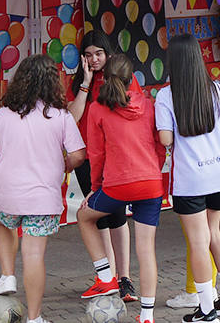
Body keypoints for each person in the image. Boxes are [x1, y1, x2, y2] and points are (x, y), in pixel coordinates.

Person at [0, 54, 86, 323]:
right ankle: (35, 318)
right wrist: (64, 166)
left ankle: (7, 275)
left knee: (3, 224)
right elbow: (78, 155)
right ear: (52, 83)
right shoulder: (60, 116)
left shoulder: (3, 114)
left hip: (7, 194)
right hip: (43, 199)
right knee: (34, 254)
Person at [156, 34, 220, 322]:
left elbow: (165, 139)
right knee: (214, 235)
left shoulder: (166, 96)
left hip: (190, 179)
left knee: (198, 242)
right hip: (217, 175)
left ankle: (207, 309)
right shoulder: (217, 90)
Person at [77, 54, 165, 323]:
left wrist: (95, 187)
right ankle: (147, 316)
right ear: (132, 78)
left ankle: (106, 277)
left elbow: (96, 153)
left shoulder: (97, 109)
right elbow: (160, 145)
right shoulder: (148, 105)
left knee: (84, 217)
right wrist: (153, 169)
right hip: (151, 183)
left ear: (104, 78)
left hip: (117, 185)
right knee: (146, 250)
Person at [68, 30, 136, 301]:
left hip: (113, 158)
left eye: (98, 54)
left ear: (108, 53)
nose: (94, 59)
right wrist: (85, 83)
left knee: (117, 216)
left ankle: (124, 278)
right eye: (88, 55)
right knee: (98, 217)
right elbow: (73, 117)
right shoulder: (78, 83)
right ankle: (108, 278)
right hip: (86, 158)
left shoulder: (120, 76)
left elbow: (131, 112)